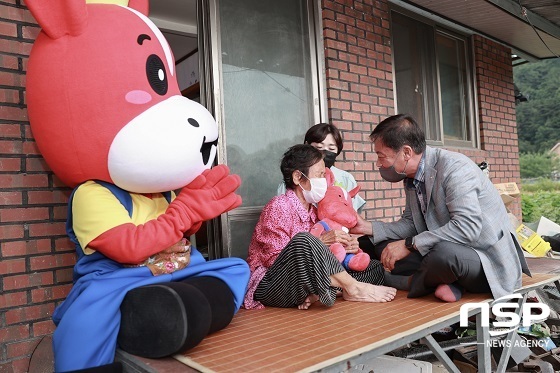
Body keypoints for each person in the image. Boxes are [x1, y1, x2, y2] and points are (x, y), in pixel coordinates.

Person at [352, 114, 530, 302]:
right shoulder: (411, 177)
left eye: (382, 156)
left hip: (483, 255)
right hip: (443, 247)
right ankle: (442, 281)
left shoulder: (456, 169)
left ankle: (410, 282)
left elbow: (467, 228)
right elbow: (411, 224)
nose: (379, 164)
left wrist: (409, 244)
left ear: (406, 153)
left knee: (443, 256)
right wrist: (368, 228)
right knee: (380, 246)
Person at [245, 144, 396, 310]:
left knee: (374, 268)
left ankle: (324, 291)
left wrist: (348, 246)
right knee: (304, 240)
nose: (324, 181)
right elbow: (274, 261)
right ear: (297, 177)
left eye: (325, 175)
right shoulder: (279, 206)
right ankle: (352, 288)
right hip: (272, 285)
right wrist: (320, 243)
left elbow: (330, 256)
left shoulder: (315, 211)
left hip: (305, 281)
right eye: (320, 175)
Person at [277, 123, 366, 212]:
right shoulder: (297, 178)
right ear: (307, 146)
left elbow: (353, 214)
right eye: (319, 147)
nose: (324, 153)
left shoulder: (346, 179)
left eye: (331, 149)